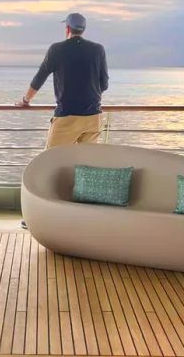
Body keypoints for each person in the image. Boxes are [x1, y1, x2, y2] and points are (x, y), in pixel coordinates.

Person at [17, 13, 109, 228]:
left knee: (49, 165)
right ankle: (83, 217)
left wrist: (26, 100)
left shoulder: (57, 49)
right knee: (87, 168)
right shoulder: (98, 50)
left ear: (67, 29)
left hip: (66, 117)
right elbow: (104, 84)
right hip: (93, 118)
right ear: (82, 30)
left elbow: (40, 77)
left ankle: (39, 217)